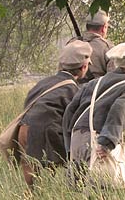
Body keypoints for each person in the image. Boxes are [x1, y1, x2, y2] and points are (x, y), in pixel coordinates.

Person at [62, 40, 125, 187]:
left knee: (79, 197)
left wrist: (69, 147)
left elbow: (69, 113)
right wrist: (106, 142)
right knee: (108, 195)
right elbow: (120, 109)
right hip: (98, 142)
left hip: (76, 140)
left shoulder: (93, 83)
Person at [18, 40, 92, 187]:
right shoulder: (74, 90)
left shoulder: (43, 83)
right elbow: (75, 123)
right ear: (84, 67)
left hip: (24, 130)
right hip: (46, 132)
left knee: (31, 185)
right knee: (75, 164)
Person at [71, 9, 115, 83]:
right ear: (104, 28)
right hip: (97, 93)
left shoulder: (71, 44)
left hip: (72, 92)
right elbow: (113, 78)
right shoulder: (108, 48)